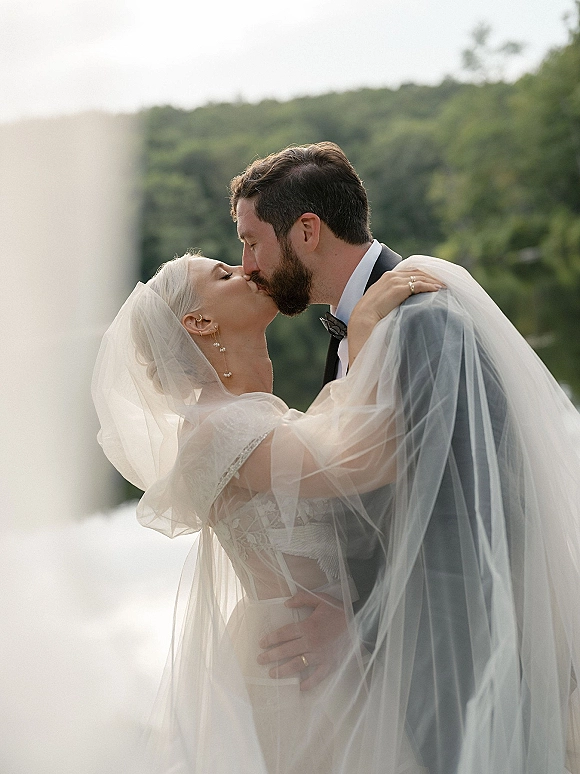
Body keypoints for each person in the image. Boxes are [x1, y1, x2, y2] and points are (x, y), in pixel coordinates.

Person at [229, 142, 580, 774]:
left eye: (253, 241)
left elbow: (468, 517)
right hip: (413, 649)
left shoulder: (424, 321)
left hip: (458, 651)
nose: (247, 263)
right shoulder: (366, 324)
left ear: (307, 231)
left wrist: (359, 629)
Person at [92, 250, 441, 773]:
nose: (247, 270)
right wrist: (365, 328)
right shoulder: (216, 428)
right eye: (223, 274)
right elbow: (375, 457)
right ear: (200, 321)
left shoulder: (244, 413)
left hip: (331, 646)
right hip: (305, 670)